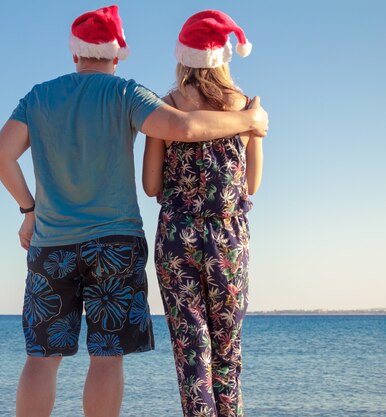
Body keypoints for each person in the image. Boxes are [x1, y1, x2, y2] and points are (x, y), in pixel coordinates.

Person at [0, 5, 268, 417]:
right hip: (115, 246)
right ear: (117, 54)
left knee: (41, 358)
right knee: (106, 358)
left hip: (51, 245)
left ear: (74, 54)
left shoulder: (38, 96)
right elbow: (185, 129)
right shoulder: (126, 94)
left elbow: (0, 157)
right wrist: (249, 119)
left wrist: (28, 210)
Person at [142, 10, 265, 417]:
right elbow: (251, 185)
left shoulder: (166, 107)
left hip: (177, 239)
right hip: (229, 241)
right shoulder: (247, 108)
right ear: (223, 58)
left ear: (183, 58)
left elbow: (151, 186)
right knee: (228, 356)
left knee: (192, 355)